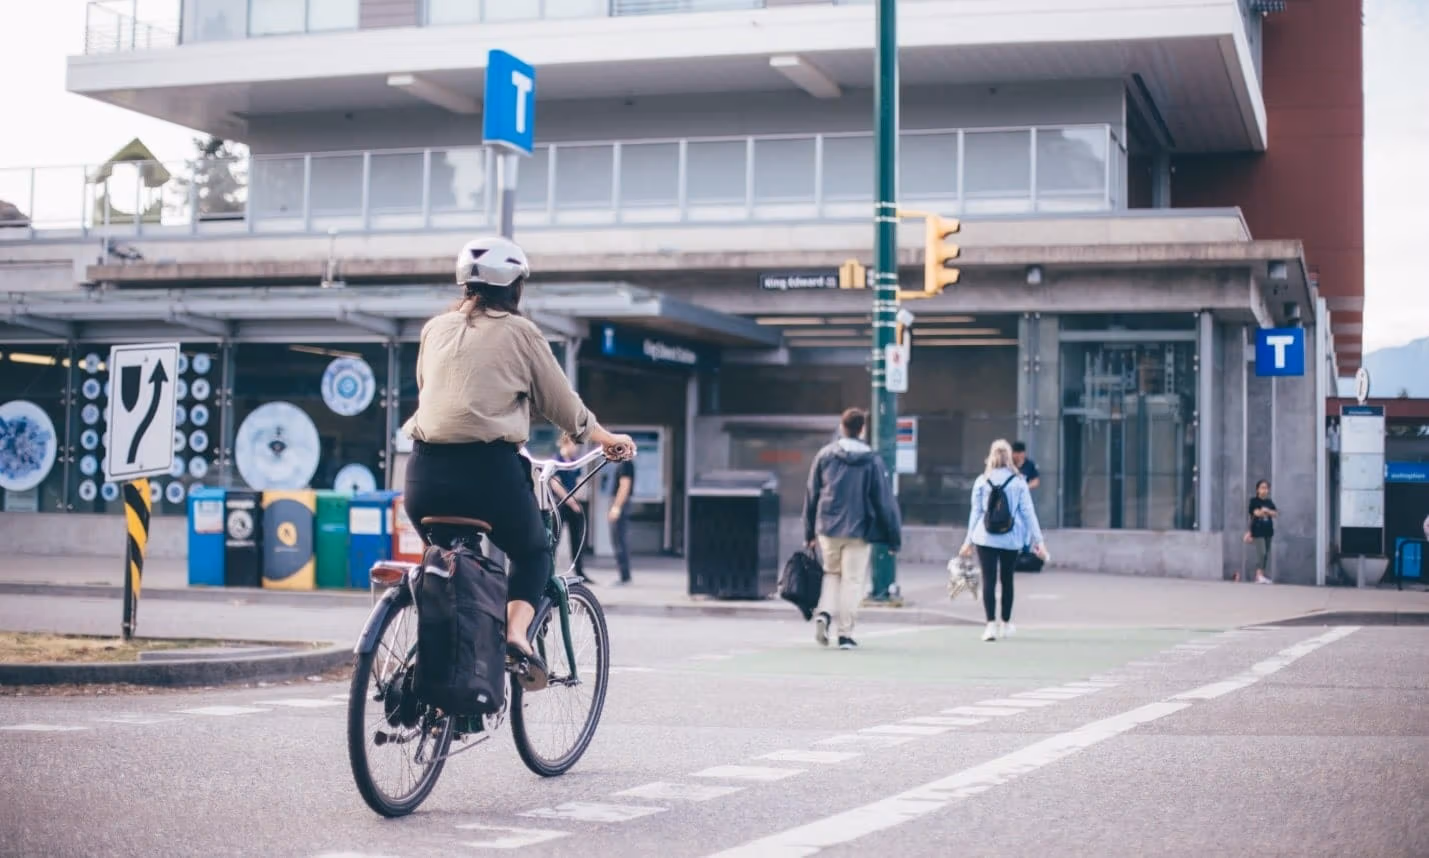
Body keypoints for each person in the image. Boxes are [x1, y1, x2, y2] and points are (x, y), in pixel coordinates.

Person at [400, 235, 634, 687]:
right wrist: (606, 438)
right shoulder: (521, 332)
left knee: (446, 563)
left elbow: (433, 393)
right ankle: (515, 638)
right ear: (514, 287)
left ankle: (433, 672)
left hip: (424, 473)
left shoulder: (434, 329)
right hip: (488, 473)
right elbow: (563, 405)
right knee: (532, 554)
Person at [802, 407, 903, 650]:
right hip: (859, 530)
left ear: (842, 426)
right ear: (862, 429)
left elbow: (811, 494)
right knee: (852, 581)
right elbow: (884, 502)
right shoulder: (872, 460)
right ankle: (845, 634)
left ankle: (824, 614)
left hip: (827, 528)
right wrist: (893, 538)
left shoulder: (825, 455)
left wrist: (809, 533)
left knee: (831, 574)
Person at [959, 439, 1048, 642]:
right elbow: (1028, 514)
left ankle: (990, 625)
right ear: (1010, 458)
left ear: (991, 457)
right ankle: (1006, 624)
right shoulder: (1018, 483)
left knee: (988, 581)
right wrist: (1039, 542)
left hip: (985, 537)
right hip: (1011, 538)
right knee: (1007, 580)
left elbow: (975, 513)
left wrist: (968, 542)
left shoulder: (982, 481)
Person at [551, 433, 594, 585]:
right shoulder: (557, 460)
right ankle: (550, 572)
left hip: (573, 503)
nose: (576, 448)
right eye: (574, 445)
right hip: (560, 504)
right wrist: (570, 501)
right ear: (566, 443)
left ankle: (579, 570)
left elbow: (577, 481)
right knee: (555, 539)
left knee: (577, 538)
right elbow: (556, 484)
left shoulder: (574, 462)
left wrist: (576, 500)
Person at [607, 449, 635, 584]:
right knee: (619, 540)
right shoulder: (625, 464)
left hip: (621, 505)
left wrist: (616, 507)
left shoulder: (625, 464)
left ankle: (624, 576)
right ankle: (624, 575)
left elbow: (624, 487)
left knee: (619, 540)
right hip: (621, 504)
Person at [1244, 479, 1277, 584]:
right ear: (1257, 489)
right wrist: (1266, 512)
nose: (1265, 490)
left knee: (1266, 554)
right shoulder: (1254, 501)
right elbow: (1256, 513)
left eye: (1266, 488)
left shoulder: (1269, 502)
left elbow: (1275, 513)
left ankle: (1261, 575)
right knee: (1261, 553)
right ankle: (1258, 575)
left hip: (1268, 531)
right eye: (1262, 488)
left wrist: (1267, 511)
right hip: (1257, 531)